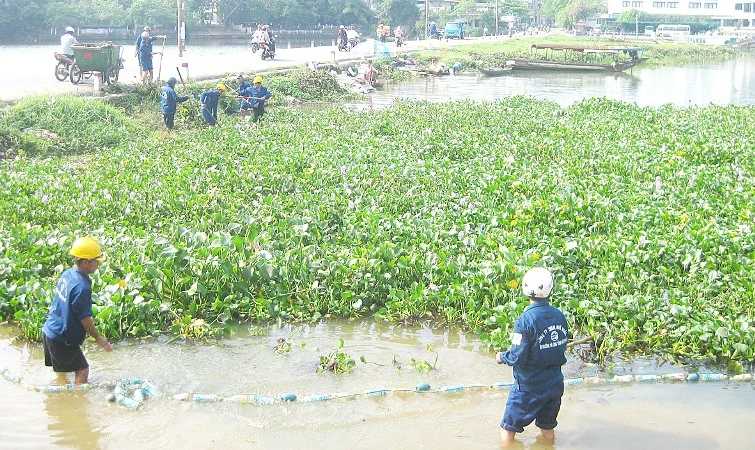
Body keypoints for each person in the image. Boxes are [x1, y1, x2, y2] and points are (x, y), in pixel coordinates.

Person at [496, 267, 569, 446]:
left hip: (529, 387)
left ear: (525, 288)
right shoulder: (559, 316)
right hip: (555, 384)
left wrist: (502, 357)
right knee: (547, 428)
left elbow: (517, 356)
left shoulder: (525, 320)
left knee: (508, 428)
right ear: (550, 288)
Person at [42, 237, 112, 384]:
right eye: (96, 261)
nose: (98, 263)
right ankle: (76, 401)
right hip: (62, 339)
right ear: (85, 262)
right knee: (82, 370)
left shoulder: (68, 274)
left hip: (49, 332)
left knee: (61, 372)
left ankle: (60, 401)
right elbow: (84, 318)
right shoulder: (81, 287)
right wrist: (99, 339)